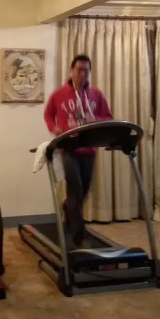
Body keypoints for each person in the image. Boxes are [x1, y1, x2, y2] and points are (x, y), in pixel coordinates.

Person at [43, 54, 113, 249]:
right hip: (69, 149)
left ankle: (68, 209)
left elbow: (108, 117)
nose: (82, 74)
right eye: (79, 70)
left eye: (86, 71)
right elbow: (48, 114)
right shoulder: (59, 95)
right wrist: (54, 127)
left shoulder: (96, 94)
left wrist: (95, 119)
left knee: (83, 191)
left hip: (89, 149)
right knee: (74, 189)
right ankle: (78, 237)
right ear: (71, 71)